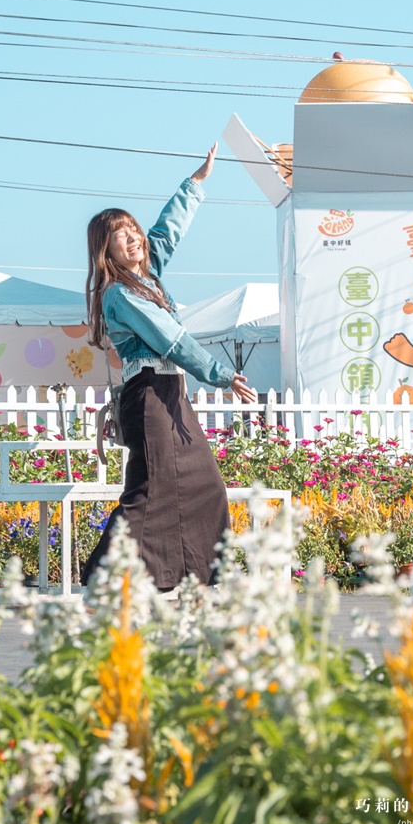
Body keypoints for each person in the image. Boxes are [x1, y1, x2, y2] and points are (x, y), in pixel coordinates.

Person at [82, 143, 259, 589]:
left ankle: (189, 574)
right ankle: (108, 577)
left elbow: (166, 232)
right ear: (107, 251)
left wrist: (195, 184)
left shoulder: (146, 277)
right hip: (148, 398)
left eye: (131, 229)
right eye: (119, 236)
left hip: (167, 396)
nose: (132, 237)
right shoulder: (121, 293)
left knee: (197, 485)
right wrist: (220, 375)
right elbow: (172, 339)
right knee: (152, 492)